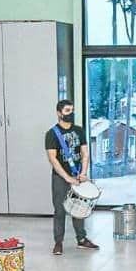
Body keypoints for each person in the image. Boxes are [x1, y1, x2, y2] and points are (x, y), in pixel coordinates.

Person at [45, 99, 100, 255]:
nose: (71, 113)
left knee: (79, 208)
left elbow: (85, 153)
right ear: (59, 113)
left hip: (77, 175)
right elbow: (53, 159)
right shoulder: (52, 134)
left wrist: (83, 173)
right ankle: (58, 242)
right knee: (60, 210)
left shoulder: (79, 130)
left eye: (72, 110)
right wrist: (67, 178)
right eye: (67, 110)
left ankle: (81, 239)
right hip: (60, 177)